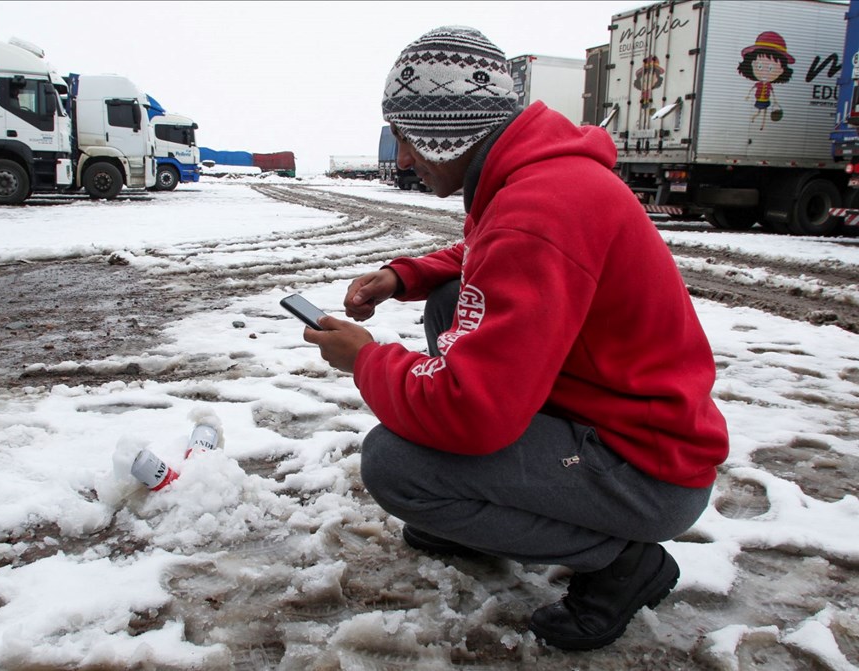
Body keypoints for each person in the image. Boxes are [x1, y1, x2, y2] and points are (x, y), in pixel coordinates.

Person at [300, 26, 729, 651]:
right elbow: (488, 253)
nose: (402, 159)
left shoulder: (540, 209)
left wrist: (365, 359)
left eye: (410, 138)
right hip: (628, 429)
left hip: (646, 472)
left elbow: (470, 413)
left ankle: (620, 562)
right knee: (453, 299)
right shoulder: (540, 182)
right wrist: (406, 276)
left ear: (452, 131)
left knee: (396, 465)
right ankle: (480, 519)